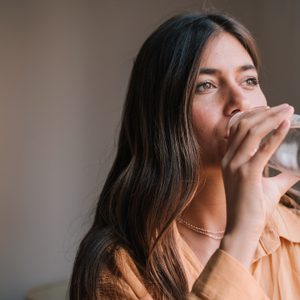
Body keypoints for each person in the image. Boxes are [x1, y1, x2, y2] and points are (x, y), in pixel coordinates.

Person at [70, 12, 300, 299]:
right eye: (206, 86)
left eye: (249, 80)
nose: (240, 102)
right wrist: (241, 236)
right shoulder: (117, 268)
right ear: (163, 116)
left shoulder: (295, 232)